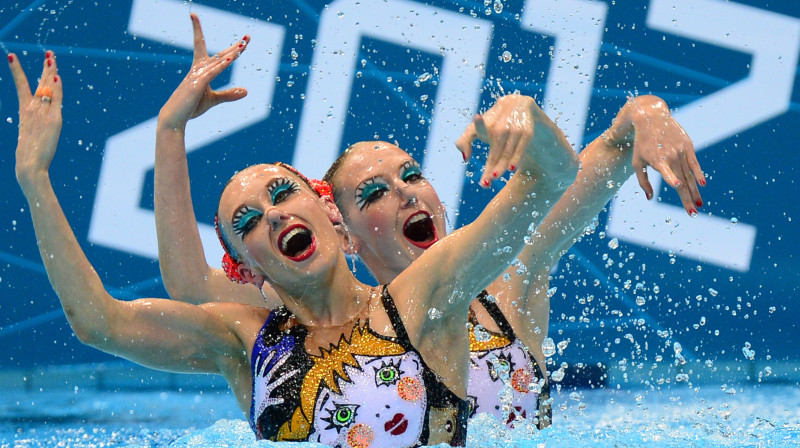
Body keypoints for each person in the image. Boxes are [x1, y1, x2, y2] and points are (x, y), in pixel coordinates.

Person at [9, 18, 578, 447]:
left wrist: (527, 115)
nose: (273, 215)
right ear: (247, 268)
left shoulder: (419, 297)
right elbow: (97, 321)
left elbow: (552, 179)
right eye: (248, 222)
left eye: (283, 196)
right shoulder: (242, 341)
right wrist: (36, 179)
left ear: (331, 214)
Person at [153, 15, 704, 430]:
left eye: (411, 174)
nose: (404, 192)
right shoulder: (332, 326)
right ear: (340, 231)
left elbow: (596, 154)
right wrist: (171, 132)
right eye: (373, 193)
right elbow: (190, 287)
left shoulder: (510, 279)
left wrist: (646, 113)